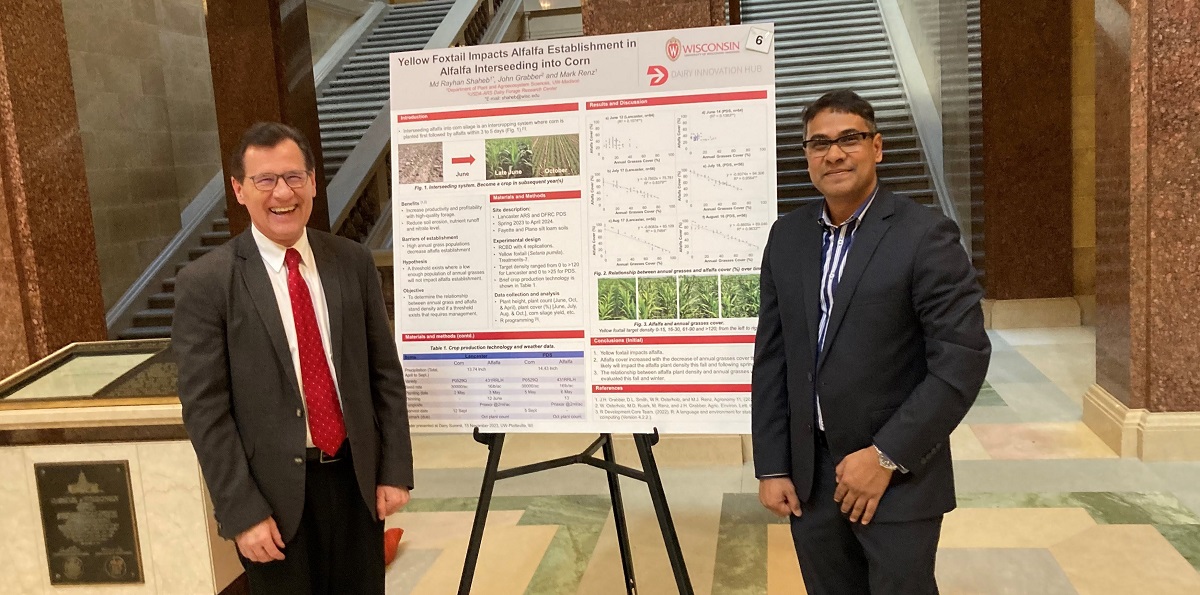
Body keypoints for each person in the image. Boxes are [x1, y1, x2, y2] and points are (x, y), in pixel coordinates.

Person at [751, 89, 990, 594]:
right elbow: (774, 359)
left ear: (877, 147)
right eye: (819, 144)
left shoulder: (925, 236)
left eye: (849, 139)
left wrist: (884, 456)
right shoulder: (787, 236)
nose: (833, 154)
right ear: (807, 156)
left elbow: (961, 361)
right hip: (810, 478)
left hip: (896, 477)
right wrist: (773, 464)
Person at [173, 122, 413, 594]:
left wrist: (393, 470)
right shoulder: (208, 283)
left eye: (293, 177)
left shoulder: (352, 261)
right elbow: (206, 411)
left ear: (312, 182)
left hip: (355, 484)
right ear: (239, 190)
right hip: (272, 502)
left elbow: (383, 374)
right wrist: (242, 512)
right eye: (265, 180)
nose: (281, 192)